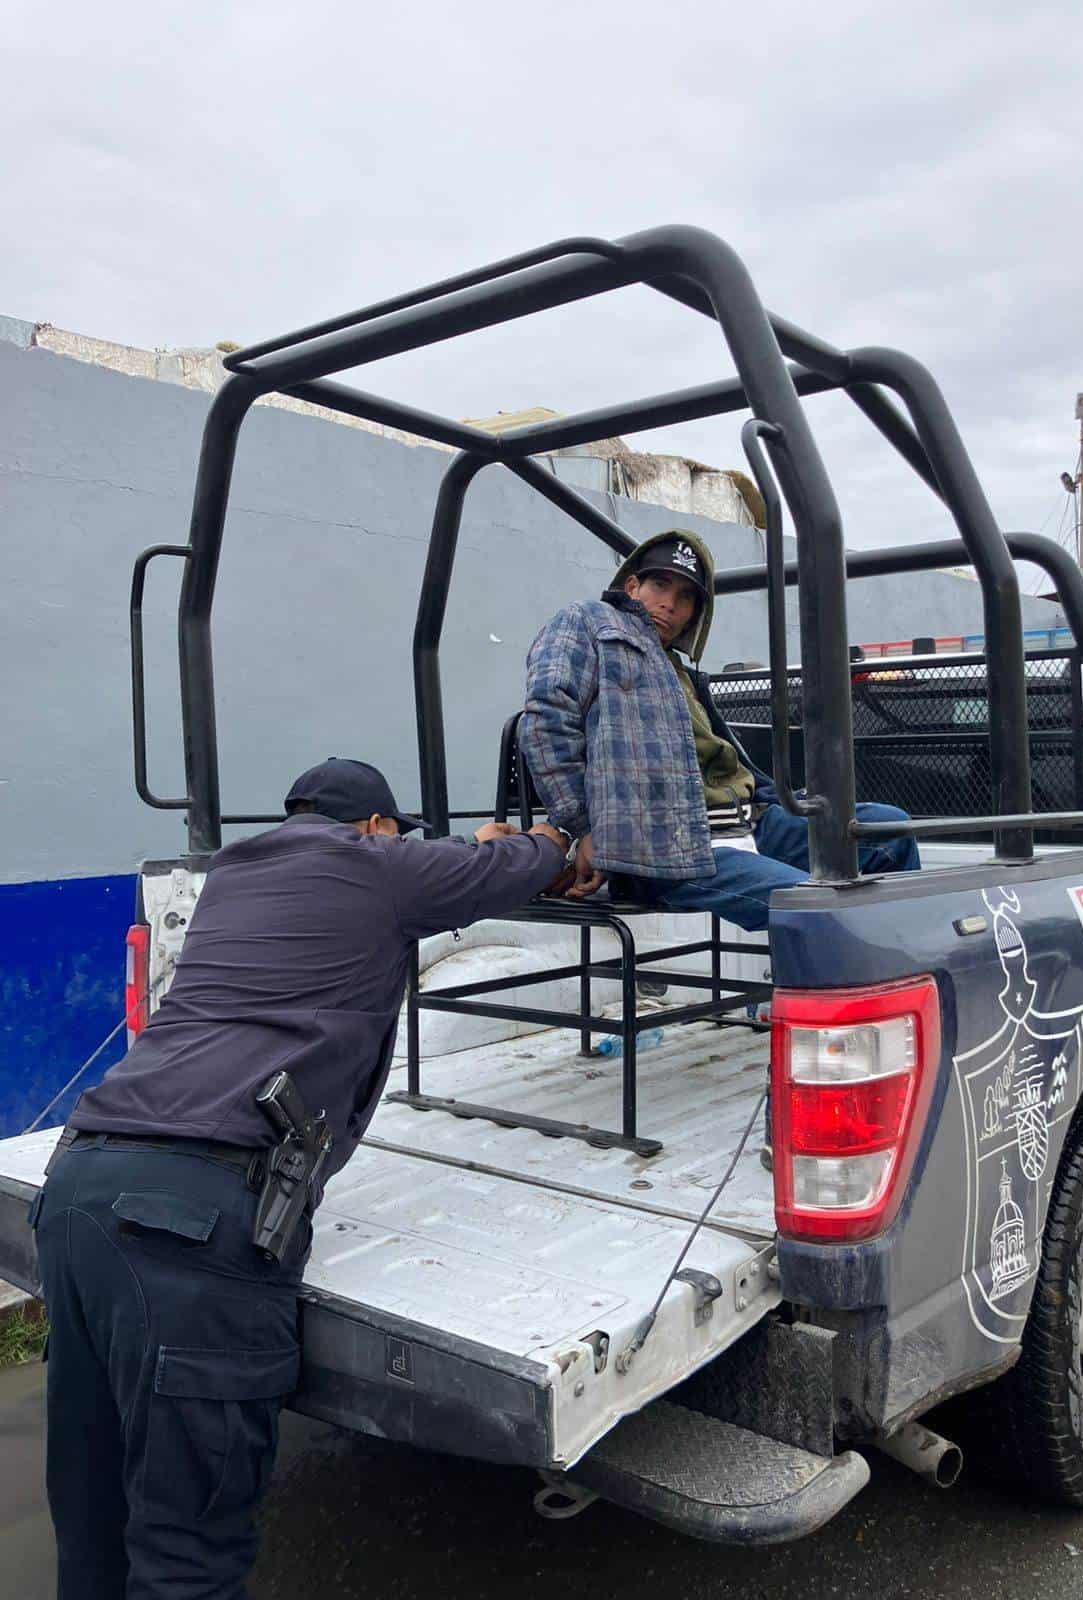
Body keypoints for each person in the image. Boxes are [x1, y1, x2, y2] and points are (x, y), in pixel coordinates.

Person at [31, 758, 568, 1600]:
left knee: (94, 1525)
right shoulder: (374, 864)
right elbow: (508, 870)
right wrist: (551, 836)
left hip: (78, 1185)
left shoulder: (236, 875)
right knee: (187, 1558)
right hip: (192, 1222)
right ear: (377, 829)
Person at [521, 531, 919, 931]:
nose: (669, 604)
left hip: (753, 823)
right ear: (631, 586)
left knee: (891, 830)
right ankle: (871, 982)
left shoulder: (682, 674)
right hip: (666, 846)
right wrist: (584, 829)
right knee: (813, 906)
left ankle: (918, 963)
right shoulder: (588, 622)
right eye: (660, 584)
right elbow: (547, 722)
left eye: (686, 597)